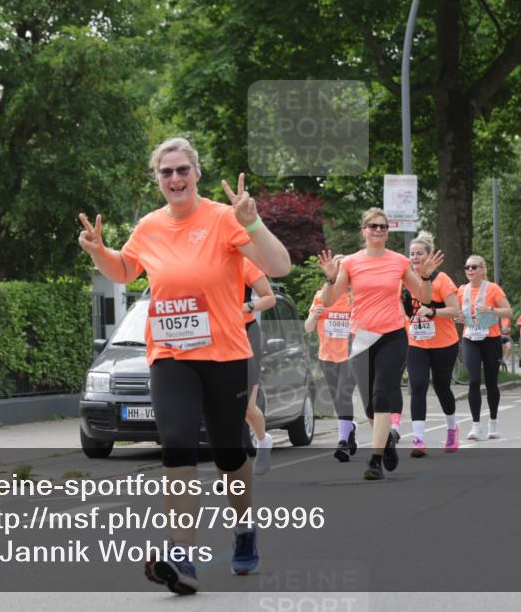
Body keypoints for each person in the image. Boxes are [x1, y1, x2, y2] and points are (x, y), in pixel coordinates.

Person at [78, 138, 291, 594]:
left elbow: (280, 265)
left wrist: (251, 221)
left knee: (229, 454)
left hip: (225, 355)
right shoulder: (149, 226)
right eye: (166, 172)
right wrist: (98, 250)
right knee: (176, 446)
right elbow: (123, 271)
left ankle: (244, 529)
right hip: (170, 356)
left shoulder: (223, 218)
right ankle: (183, 558)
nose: (174, 179)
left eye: (182, 170)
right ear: (158, 179)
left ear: (196, 173)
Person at [317, 208, 441, 481]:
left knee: (382, 394)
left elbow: (423, 296)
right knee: (370, 407)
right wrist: (329, 278)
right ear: (364, 230)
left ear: (387, 231)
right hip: (361, 336)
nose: (378, 230)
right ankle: (386, 443)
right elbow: (329, 300)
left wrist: (426, 276)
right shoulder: (350, 262)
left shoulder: (398, 261)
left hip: (393, 335)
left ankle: (374, 461)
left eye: (383, 227)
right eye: (373, 226)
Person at [400, 233, 461, 456]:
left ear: (429, 257)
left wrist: (433, 311)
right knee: (417, 385)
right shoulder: (405, 279)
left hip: (444, 342)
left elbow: (455, 310)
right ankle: (418, 440)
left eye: (420, 254)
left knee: (442, 386)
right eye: (412, 254)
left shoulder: (441, 279)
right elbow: (400, 307)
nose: (415, 257)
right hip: (416, 342)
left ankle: (453, 428)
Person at [304, 264, 359, 463]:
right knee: (337, 399)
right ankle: (350, 428)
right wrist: (314, 315)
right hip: (326, 356)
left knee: (343, 394)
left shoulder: (355, 297)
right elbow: (308, 327)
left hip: (351, 355)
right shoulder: (322, 295)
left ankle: (342, 442)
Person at [457, 255, 513, 440]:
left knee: (490, 382)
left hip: (491, 338)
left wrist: (492, 310)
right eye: (467, 267)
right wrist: (457, 318)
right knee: (473, 380)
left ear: (482, 269)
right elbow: (456, 312)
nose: (470, 270)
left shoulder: (492, 289)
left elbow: (509, 311)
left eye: (474, 267)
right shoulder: (462, 290)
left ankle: (493, 422)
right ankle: (475, 426)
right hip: (470, 338)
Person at [241, 257, 276, 475]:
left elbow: (269, 298)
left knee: (245, 406)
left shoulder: (245, 264)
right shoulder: (200, 262)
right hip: (215, 336)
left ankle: (263, 441)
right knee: (220, 407)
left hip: (245, 333)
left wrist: (248, 305)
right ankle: (231, 468)